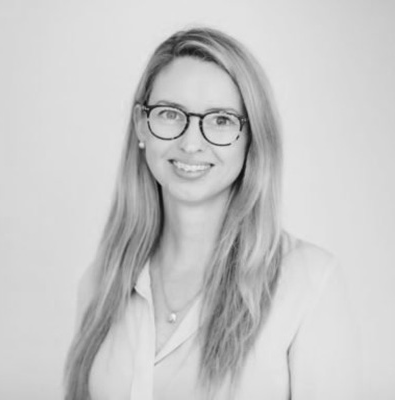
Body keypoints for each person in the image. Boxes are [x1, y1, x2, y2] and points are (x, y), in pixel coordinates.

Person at [64, 27, 358, 400]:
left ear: (253, 137)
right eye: (170, 114)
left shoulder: (309, 284)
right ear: (141, 124)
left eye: (221, 120)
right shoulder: (100, 282)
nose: (190, 143)